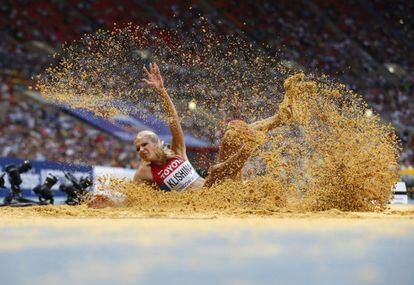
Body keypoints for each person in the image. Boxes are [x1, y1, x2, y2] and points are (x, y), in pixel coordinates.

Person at [87, 63, 292, 208]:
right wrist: (109, 204)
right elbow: (131, 203)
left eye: (144, 144)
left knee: (231, 134)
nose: (141, 150)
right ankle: (250, 146)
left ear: (157, 143)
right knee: (217, 168)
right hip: (207, 202)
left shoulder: (177, 151)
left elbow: (174, 120)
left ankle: (280, 117)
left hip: (225, 191)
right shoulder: (144, 173)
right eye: (137, 148)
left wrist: (162, 91)